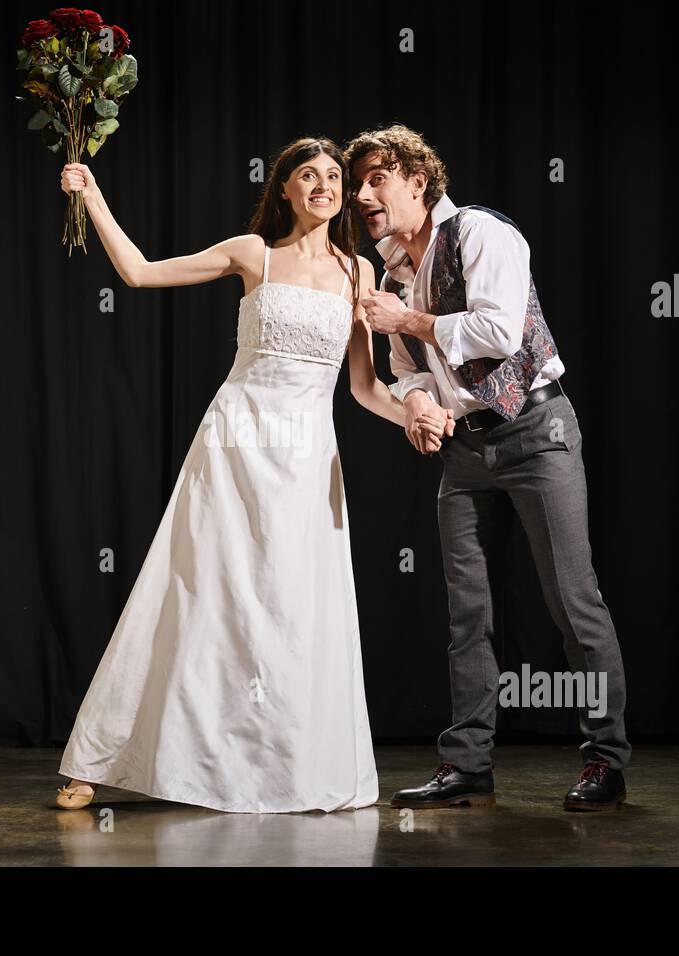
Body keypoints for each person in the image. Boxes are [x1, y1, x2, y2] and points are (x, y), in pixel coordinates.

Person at [52, 137, 451, 813]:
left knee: (292, 610)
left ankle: (277, 765)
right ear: (287, 191)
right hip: (236, 441)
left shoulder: (360, 273)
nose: (324, 184)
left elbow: (363, 386)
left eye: (332, 175)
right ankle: (100, 757)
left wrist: (415, 415)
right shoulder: (252, 253)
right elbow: (142, 274)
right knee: (194, 593)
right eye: (308, 175)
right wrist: (89, 195)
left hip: (305, 458)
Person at [344, 124, 632, 811]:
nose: (361, 195)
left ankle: (606, 761)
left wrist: (407, 321)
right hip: (467, 448)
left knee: (573, 599)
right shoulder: (393, 276)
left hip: (537, 429)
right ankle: (467, 762)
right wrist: (418, 406)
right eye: (359, 184)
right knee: (466, 612)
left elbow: (500, 332)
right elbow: (407, 372)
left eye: (376, 179)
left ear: (417, 179)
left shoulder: (480, 232)